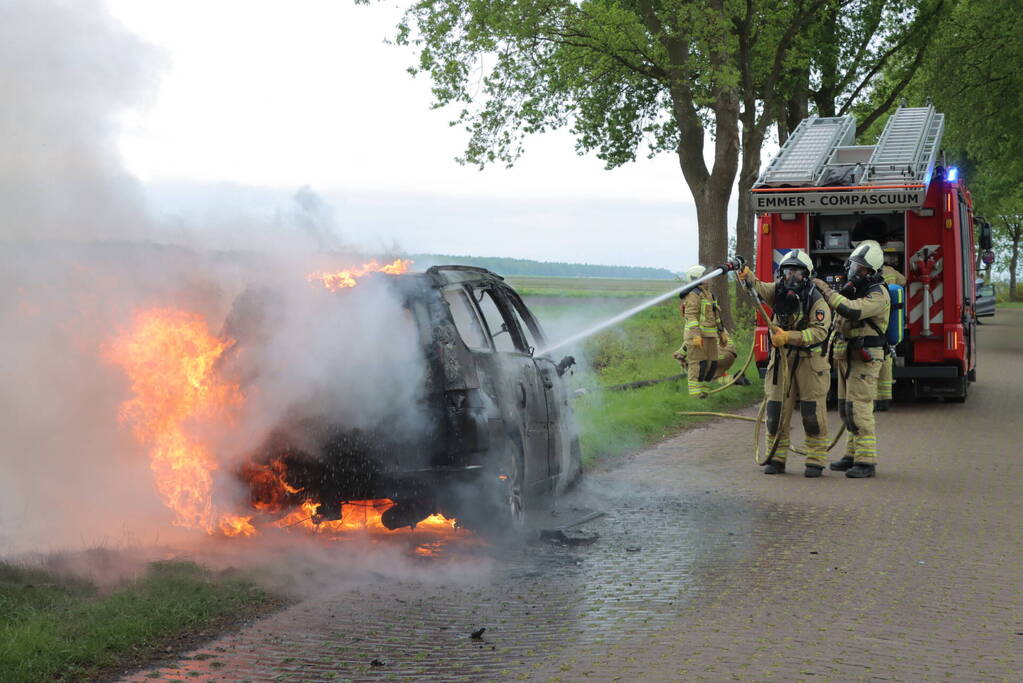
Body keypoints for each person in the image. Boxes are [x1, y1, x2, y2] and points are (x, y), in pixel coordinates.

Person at [737, 250, 832, 477]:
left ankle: (815, 461)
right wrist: (744, 273)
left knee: (812, 412)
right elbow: (756, 288)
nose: (792, 277)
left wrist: (789, 336)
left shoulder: (817, 300)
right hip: (782, 360)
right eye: (788, 271)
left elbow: (819, 332)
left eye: (798, 272)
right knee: (776, 410)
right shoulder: (777, 291)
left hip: (810, 362)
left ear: (807, 275)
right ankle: (776, 458)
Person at [813, 240, 890, 478]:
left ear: (873, 273)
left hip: (866, 359)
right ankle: (851, 455)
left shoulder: (878, 295)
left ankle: (867, 461)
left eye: (862, 269)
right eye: (855, 266)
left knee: (859, 408)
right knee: (847, 409)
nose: (855, 272)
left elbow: (852, 310)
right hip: (848, 357)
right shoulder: (856, 290)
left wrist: (826, 290)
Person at [852, 216, 906, 411]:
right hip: (887, 321)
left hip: (866, 320)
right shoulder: (891, 271)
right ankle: (885, 397)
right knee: (886, 357)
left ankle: (872, 398)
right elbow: (904, 281)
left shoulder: (858, 274)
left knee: (871, 360)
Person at [679, 264, 722, 399]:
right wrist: (696, 335)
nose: (708, 278)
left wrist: (721, 333)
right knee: (698, 365)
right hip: (696, 336)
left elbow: (715, 316)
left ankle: (704, 393)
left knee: (712, 365)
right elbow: (690, 316)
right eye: (704, 276)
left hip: (710, 336)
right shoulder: (693, 294)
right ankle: (694, 396)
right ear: (696, 278)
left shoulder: (709, 294)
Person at [673, 328, 751, 386]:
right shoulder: (712, 320)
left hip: (719, 354)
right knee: (712, 379)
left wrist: (681, 353)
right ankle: (736, 379)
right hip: (729, 356)